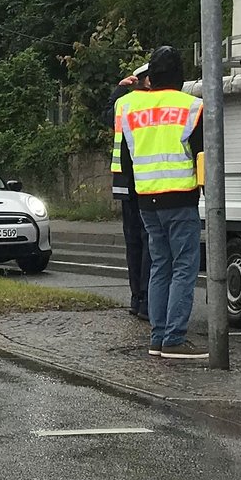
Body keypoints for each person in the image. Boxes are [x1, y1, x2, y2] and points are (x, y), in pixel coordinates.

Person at [113, 45, 206, 360]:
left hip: (146, 201)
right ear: (179, 77)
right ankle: (175, 339)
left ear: (150, 76)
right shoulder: (191, 106)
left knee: (159, 266)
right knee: (184, 267)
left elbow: (126, 159)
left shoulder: (128, 108)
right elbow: (203, 157)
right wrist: (206, 193)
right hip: (180, 199)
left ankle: (157, 336)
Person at [107, 63, 152, 320]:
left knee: (133, 241)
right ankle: (146, 299)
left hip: (125, 181)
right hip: (147, 180)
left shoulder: (123, 103)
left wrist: (118, 89)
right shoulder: (153, 103)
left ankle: (137, 298)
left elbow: (106, 115)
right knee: (149, 242)